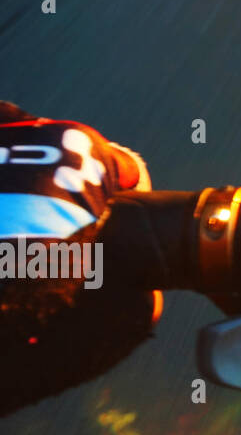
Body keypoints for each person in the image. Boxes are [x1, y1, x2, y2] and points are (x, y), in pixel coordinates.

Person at [0, 102, 160, 417]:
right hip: (33, 315)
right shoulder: (85, 140)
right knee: (143, 301)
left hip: (32, 309)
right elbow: (139, 188)